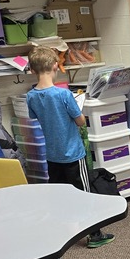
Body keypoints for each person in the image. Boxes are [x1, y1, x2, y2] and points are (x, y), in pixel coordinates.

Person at [26, 46, 114, 248]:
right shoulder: (63, 95)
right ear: (56, 66)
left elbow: (35, 117)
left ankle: (61, 234)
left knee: (58, 195)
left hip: (52, 155)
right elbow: (80, 121)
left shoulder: (31, 96)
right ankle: (94, 235)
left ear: (32, 70)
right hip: (73, 154)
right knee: (84, 193)